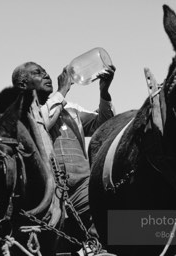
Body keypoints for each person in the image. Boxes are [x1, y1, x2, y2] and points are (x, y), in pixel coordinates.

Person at [12, 61, 116, 254]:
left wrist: (104, 92)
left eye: (45, 71)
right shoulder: (22, 114)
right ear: (23, 86)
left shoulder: (71, 108)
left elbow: (105, 125)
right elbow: (40, 122)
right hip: (51, 193)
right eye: (37, 73)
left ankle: (93, 249)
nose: (46, 75)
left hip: (82, 185)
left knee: (106, 206)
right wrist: (63, 89)